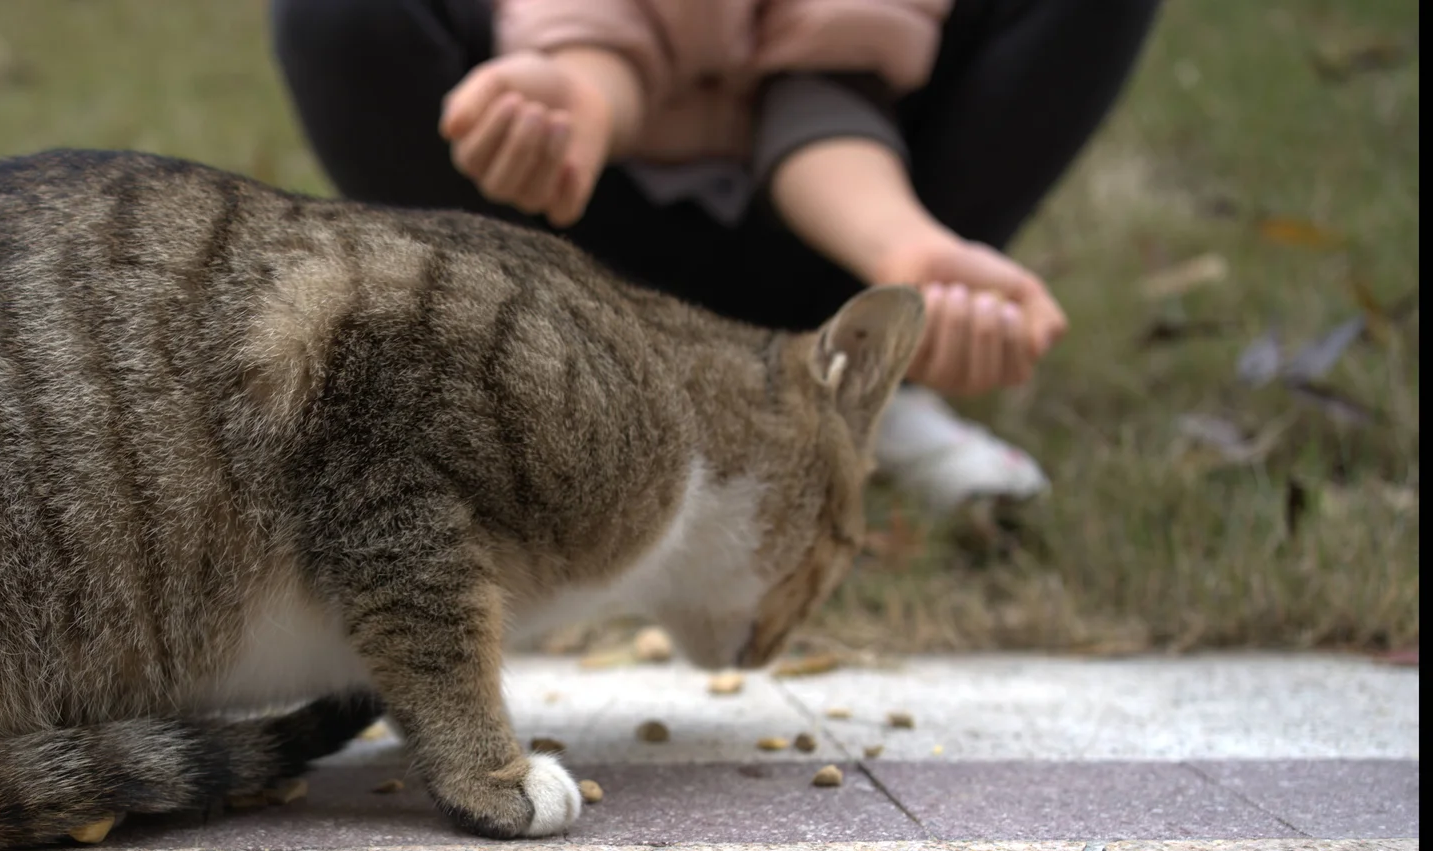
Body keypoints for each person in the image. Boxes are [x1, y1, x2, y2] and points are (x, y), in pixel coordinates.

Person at [270, 0, 1160, 510]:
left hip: (813, 254)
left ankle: (850, 379)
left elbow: (828, 91)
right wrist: (573, 103)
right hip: (569, 258)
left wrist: (912, 256)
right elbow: (602, 35)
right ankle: (521, 404)